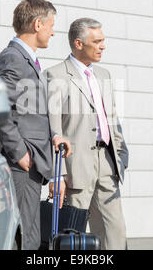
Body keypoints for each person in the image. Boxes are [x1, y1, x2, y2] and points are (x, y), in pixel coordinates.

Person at [0, 0, 72, 250]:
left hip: (31, 163)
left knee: (30, 235)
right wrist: (20, 153)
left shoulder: (25, 60)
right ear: (38, 24)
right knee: (25, 237)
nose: (53, 31)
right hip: (21, 166)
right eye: (51, 26)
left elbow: (27, 114)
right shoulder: (13, 58)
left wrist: (53, 138)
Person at [45, 18, 129, 250]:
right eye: (97, 41)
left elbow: (112, 119)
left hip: (107, 164)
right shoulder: (55, 75)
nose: (103, 46)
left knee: (115, 233)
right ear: (79, 43)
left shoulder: (104, 75)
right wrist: (56, 175)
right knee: (72, 237)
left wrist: (120, 156)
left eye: (103, 40)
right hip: (74, 167)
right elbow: (52, 129)